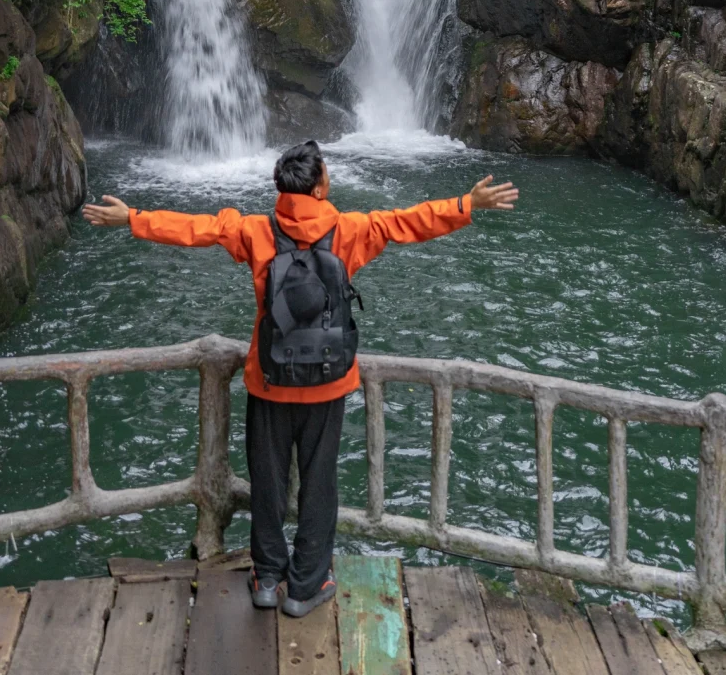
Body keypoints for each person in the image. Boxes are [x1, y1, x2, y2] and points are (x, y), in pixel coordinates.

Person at [83, 140, 518, 617]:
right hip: (329, 383)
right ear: (320, 185)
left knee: (267, 480)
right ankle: (308, 584)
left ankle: (267, 577)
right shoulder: (351, 230)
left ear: (281, 187)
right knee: (319, 481)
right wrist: (466, 204)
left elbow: (196, 229)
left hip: (269, 381)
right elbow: (407, 222)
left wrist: (132, 218)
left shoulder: (254, 231)